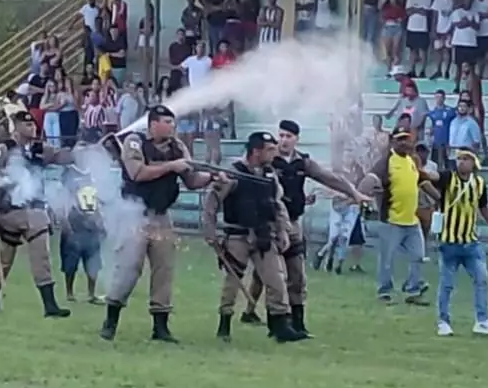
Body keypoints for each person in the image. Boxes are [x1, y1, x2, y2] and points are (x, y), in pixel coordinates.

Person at [239, 120, 367, 336]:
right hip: (270, 224)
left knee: (295, 274)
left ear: (296, 139)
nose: (283, 140)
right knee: (273, 276)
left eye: (288, 136)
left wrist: (353, 192)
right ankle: (276, 323)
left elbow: (329, 178)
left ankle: (297, 323)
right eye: (281, 135)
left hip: (294, 222)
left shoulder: (302, 163)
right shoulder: (267, 161)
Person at [100, 105, 214, 343]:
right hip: (134, 214)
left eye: (172, 122)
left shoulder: (178, 147)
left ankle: (160, 327)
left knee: (164, 269)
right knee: (129, 268)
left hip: (161, 216)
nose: (172, 127)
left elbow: (192, 180)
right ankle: (110, 321)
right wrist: (172, 166)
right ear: (153, 124)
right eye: (167, 122)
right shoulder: (135, 141)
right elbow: (137, 173)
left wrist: (213, 177)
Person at [205, 132, 305, 343]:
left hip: (263, 235)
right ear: (256, 151)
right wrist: (210, 231)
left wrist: (283, 230)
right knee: (232, 282)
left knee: (276, 280)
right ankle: (224, 325)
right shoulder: (233, 173)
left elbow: (277, 204)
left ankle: (280, 327)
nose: (274, 152)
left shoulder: (269, 175)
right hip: (237, 235)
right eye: (269, 149)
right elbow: (212, 200)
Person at [0, 108, 72, 318]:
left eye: (33, 124)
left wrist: (85, 151)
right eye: (27, 125)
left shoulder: (41, 148)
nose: (32, 128)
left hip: (32, 208)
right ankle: (45, 305)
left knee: (22, 255)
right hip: (11, 210)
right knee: (12, 256)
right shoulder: (4, 149)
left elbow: (61, 156)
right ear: (17, 127)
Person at [433, 147, 488, 336]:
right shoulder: (448, 177)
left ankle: (482, 320)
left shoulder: (479, 183)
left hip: (471, 241)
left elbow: (484, 207)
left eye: (465, 159)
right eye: (459, 158)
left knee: (481, 278)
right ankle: (443, 320)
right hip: (449, 241)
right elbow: (432, 178)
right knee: (447, 283)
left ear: (473, 162)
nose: (461, 162)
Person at [365, 129, 438, 304]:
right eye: (400, 140)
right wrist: (360, 195)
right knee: (387, 259)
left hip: (412, 220)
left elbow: (422, 181)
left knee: (418, 256)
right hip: (392, 220)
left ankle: (413, 290)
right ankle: (384, 292)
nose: (405, 143)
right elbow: (371, 178)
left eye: (407, 139)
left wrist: (439, 197)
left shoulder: (412, 161)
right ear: (393, 142)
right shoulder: (386, 162)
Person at [59, 161, 105, 304]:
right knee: (70, 263)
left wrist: (101, 223)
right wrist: (65, 224)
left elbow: (97, 207)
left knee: (93, 262)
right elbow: (63, 205)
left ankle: (91, 294)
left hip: (91, 228)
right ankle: (69, 293)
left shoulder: (93, 187)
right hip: (75, 227)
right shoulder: (69, 185)